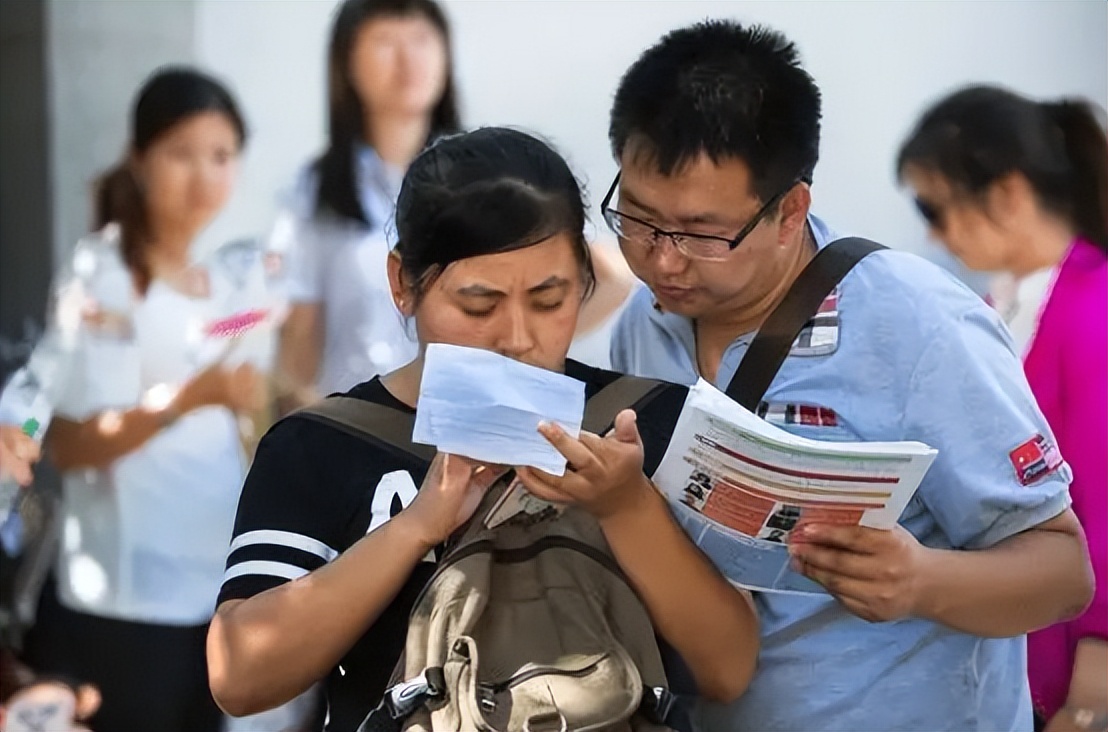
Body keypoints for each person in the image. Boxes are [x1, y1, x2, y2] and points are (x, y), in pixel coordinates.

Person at [603, 21, 1094, 732]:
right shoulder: (643, 325)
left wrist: (922, 581)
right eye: (640, 221)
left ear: (789, 211)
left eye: (703, 235)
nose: (664, 262)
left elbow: (1062, 572)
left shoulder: (919, 326)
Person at [207, 127, 759, 732]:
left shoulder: (649, 424)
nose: (517, 338)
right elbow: (240, 675)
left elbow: (728, 668)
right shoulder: (323, 445)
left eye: (550, 301)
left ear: (585, 281)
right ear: (403, 284)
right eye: (478, 305)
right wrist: (418, 525)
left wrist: (627, 507)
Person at [0, 66, 278, 732]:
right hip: (123, 609)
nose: (203, 175)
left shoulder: (223, 288)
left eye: (221, 156)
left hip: (212, 602)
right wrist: (190, 397)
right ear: (140, 159)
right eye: (181, 153)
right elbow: (62, 430)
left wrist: (265, 316)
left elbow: (221, 331)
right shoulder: (103, 274)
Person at [898, 86, 1107, 732]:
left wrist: (1093, 693)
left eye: (935, 207)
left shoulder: (1091, 313)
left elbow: (1101, 501)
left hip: (1077, 671)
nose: (932, 233)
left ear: (1009, 193)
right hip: (1014, 661)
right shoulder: (996, 309)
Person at [273, 0, 460, 410]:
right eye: (385, 41)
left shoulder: (480, 176)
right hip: (355, 430)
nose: (408, 59)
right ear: (347, 62)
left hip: (458, 431)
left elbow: (598, 276)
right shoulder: (315, 190)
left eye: (422, 39)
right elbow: (298, 343)